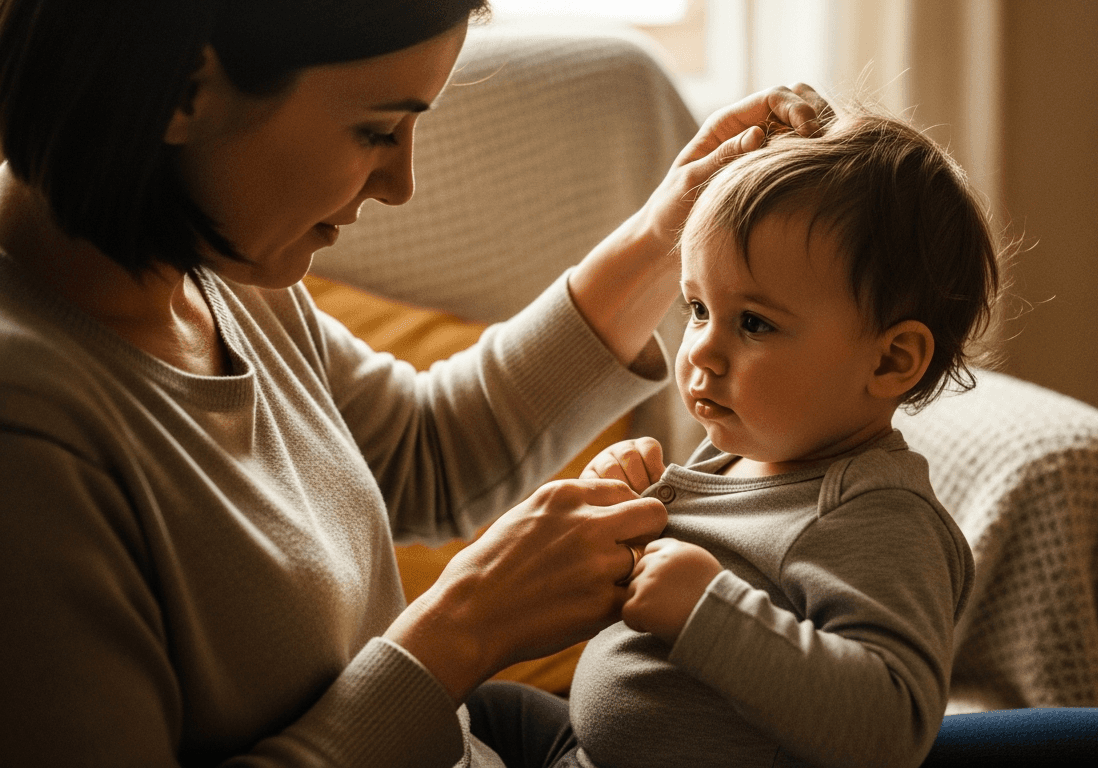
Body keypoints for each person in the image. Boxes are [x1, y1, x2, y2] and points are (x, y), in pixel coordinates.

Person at [0, 1, 826, 765]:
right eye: (376, 131)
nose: (401, 185)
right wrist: (465, 630)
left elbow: (423, 453)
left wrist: (668, 232)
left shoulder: (216, 269)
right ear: (185, 92)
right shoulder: (32, 438)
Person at [466, 107, 994, 768]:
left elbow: (890, 727)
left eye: (754, 324)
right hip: (583, 748)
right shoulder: (743, 453)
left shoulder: (876, 517)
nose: (702, 354)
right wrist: (618, 513)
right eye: (697, 309)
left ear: (890, 361)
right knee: (469, 707)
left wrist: (709, 614)